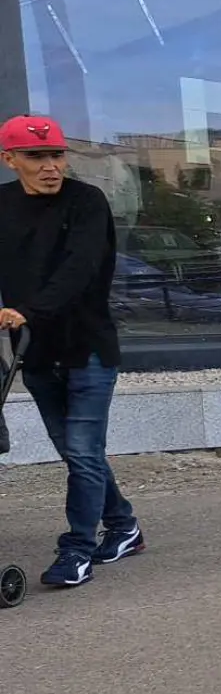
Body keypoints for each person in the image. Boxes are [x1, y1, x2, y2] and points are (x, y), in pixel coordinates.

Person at [0, 114, 142, 588]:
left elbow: (79, 268)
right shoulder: (1, 205)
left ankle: (77, 549)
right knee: (76, 452)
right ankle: (124, 526)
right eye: (36, 156)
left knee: (82, 451)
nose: (50, 166)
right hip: (35, 353)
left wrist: (27, 310)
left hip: (89, 348)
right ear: (10, 159)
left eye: (56, 154)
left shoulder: (87, 202)